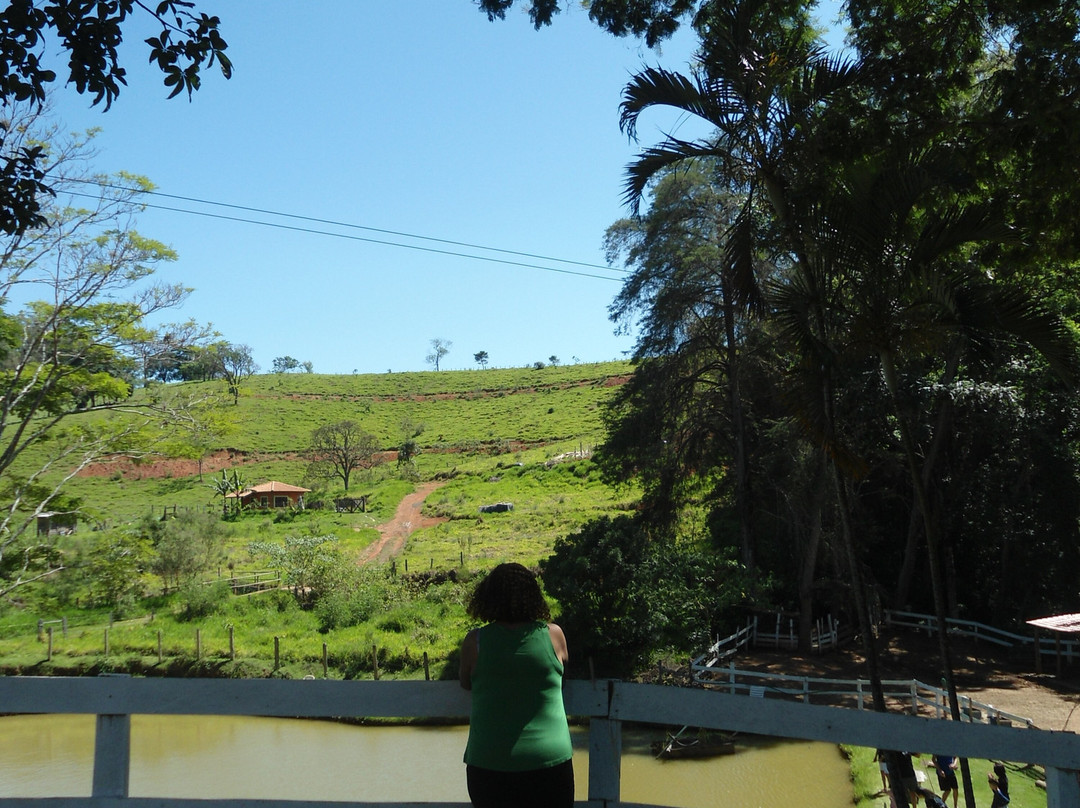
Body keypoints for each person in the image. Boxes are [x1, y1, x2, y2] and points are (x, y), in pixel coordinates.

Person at [459, 563, 574, 808]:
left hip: (490, 761)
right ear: (533, 596)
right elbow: (561, 676)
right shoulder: (554, 635)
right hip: (549, 760)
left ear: (487, 598)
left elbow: (465, 682)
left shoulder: (474, 641)